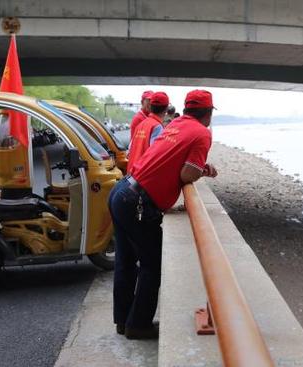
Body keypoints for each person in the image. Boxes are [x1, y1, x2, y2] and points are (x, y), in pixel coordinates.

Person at [108, 89, 218, 340]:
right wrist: (201, 170)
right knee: (152, 265)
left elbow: (173, 161)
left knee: (125, 262)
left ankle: (123, 321)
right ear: (208, 113)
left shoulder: (175, 124)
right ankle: (138, 325)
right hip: (137, 202)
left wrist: (200, 167)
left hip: (122, 190)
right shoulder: (202, 133)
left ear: (186, 109)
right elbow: (187, 175)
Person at [127, 91, 169, 169]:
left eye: (150, 101)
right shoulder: (156, 126)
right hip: (142, 173)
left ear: (151, 106)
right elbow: (156, 156)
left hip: (133, 170)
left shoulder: (142, 124)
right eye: (148, 100)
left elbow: (131, 147)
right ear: (166, 109)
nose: (149, 102)